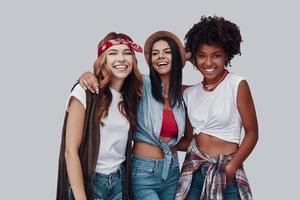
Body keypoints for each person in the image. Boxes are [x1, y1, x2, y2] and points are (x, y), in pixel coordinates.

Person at [79, 31, 191, 200]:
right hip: (143, 171)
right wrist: (87, 75)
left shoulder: (183, 94)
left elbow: (207, 83)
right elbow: (113, 73)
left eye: (167, 52)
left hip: (172, 171)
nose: (160, 57)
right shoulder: (141, 84)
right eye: (155, 53)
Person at [176, 16, 258, 200]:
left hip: (226, 169)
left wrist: (232, 167)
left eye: (216, 55)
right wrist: (188, 55)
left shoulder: (237, 84)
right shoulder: (189, 93)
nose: (209, 63)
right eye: (202, 56)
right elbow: (159, 81)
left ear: (227, 55)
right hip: (195, 171)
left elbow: (252, 133)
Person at [56, 32, 143, 200]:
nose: (121, 58)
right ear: (103, 59)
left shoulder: (132, 96)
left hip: (119, 182)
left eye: (127, 53)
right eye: (113, 53)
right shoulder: (85, 92)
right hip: (90, 181)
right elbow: (70, 151)